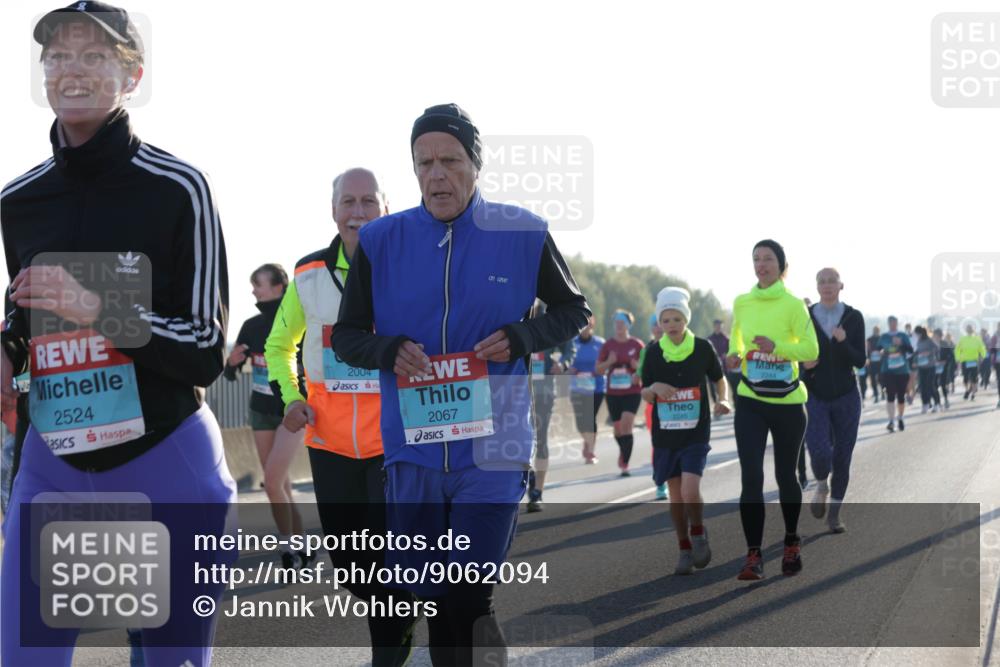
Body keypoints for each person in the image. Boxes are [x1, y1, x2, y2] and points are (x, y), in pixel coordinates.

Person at [1, 4, 235, 664]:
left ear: (131, 75)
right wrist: (6, 348)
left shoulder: (179, 187)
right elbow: (25, 316)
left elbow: (204, 350)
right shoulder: (18, 201)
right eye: (58, 56)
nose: (72, 69)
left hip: (164, 462)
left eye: (94, 56)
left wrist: (97, 306)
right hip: (54, 466)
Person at [331, 104, 590, 666]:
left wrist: (523, 335)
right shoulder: (380, 240)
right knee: (434, 600)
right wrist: (387, 349)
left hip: (494, 450)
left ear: (476, 165)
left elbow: (574, 310)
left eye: (450, 160)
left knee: (467, 595)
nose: (436, 174)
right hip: (413, 451)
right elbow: (347, 336)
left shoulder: (523, 232)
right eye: (424, 162)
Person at [265, 167, 417, 665]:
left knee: (388, 561)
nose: (357, 212)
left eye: (368, 201)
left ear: (385, 209)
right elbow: (278, 345)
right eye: (348, 202)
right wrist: (290, 397)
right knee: (353, 566)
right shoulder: (308, 275)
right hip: (329, 445)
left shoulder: (406, 266)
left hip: (392, 444)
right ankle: (398, 619)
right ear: (333, 211)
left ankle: (389, 651)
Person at [726, 240, 818, 580]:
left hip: (788, 403)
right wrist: (736, 355)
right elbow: (737, 338)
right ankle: (753, 555)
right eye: (756, 259)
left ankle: (791, 540)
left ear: (781, 266)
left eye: (768, 259)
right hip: (750, 399)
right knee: (751, 478)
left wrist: (776, 347)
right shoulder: (742, 302)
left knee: (785, 476)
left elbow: (810, 349)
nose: (761, 264)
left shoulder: (794, 305)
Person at [224, 263, 308, 568]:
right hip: (260, 412)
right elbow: (232, 373)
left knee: (272, 482)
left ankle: (288, 549)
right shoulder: (251, 326)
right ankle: (301, 543)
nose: (253, 291)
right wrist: (231, 363)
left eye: (258, 285)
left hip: (291, 412)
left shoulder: (297, 322)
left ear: (279, 287)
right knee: (281, 484)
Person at [642, 288, 730, 574]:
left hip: (695, 432)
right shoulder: (654, 353)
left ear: (686, 319)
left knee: (691, 490)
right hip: (666, 436)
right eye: (665, 320)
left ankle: (699, 532)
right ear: (660, 322)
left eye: (677, 319)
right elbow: (645, 391)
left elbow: (719, 380)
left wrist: (723, 400)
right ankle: (683, 548)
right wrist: (653, 389)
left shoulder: (702, 348)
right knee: (676, 496)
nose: (671, 325)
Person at [800, 268, 865, 534]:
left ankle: (834, 515)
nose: (827, 285)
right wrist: (803, 364)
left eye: (831, 281)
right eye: (822, 282)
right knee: (819, 451)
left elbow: (860, 360)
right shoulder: (805, 317)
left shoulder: (853, 317)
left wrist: (843, 341)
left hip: (847, 396)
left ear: (841, 285)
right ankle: (820, 484)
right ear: (816, 287)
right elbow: (794, 353)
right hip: (815, 394)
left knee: (842, 456)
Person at [526, 299, 574, 513]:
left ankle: (537, 493)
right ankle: (528, 481)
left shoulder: (551, 319)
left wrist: (562, 364)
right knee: (519, 439)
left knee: (540, 438)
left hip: (544, 390)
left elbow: (569, 349)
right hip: (516, 390)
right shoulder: (516, 315)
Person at [596, 310, 645, 476]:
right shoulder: (608, 345)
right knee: (617, 429)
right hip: (613, 393)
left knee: (626, 424)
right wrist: (609, 362)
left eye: (622, 322)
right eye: (616, 322)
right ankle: (623, 451)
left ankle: (625, 462)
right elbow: (598, 369)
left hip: (632, 391)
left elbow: (646, 368)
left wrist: (636, 366)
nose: (618, 325)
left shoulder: (637, 345)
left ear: (628, 325)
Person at [567, 315, 606, 464]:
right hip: (577, 387)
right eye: (583, 325)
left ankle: (590, 450)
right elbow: (566, 361)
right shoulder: (572, 343)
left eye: (588, 325)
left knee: (591, 419)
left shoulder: (600, 344)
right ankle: (587, 441)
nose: (585, 328)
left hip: (596, 388)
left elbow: (605, 364)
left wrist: (598, 370)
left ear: (592, 326)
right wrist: (571, 369)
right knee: (580, 422)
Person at [638, 313, 668, 500]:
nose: (657, 328)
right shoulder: (647, 350)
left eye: (660, 324)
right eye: (654, 325)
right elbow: (642, 373)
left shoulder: (677, 346)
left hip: (677, 403)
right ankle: (660, 482)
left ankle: (676, 476)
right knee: (657, 444)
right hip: (654, 404)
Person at [875, 316, 913, 432]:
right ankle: (891, 421)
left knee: (901, 396)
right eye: (891, 323)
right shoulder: (884, 337)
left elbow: (910, 350)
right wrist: (882, 352)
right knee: (890, 396)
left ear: (897, 323)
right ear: (888, 324)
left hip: (902, 370)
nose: (893, 325)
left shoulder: (903, 336)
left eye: (894, 323)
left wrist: (901, 344)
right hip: (887, 370)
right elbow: (878, 350)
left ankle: (900, 418)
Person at [912, 326, 941, 413]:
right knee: (923, 387)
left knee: (931, 385)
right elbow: (917, 351)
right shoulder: (918, 342)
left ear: (920, 333)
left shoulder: (929, 340)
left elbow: (937, 349)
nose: (915, 336)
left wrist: (928, 352)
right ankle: (925, 404)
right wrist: (915, 358)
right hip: (921, 366)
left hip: (930, 366)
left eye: (916, 334)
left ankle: (937, 403)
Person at [955, 324, 987, 401]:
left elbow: (982, 348)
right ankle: (967, 390)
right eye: (968, 329)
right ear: (966, 330)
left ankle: (973, 393)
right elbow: (957, 349)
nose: (969, 330)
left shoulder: (977, 339)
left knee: (974, 378)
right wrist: (958, 359)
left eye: (970, 329)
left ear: (973, 330)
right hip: (965, 361)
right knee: (965, 379)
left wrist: (983, 356)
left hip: (974, 361)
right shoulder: (962, 339)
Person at [933, 328, 954, 410]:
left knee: (942, 384)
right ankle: (937, 402)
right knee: (934, 384)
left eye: (936, 335)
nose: (935, 337)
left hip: (943, 367)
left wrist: (945, 361)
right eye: (934, 335)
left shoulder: (944, 343)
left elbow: (950, 355)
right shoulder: (931, 344)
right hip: (934, 367)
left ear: (940, 336)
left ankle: (945, 399)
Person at [866, 325, 882, 402]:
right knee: (872, 379)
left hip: (880, 361)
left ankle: (883, 392)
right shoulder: (869, 339)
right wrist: (868, 358)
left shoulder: (881, 338)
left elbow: (883, 349)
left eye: (877, 330)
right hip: (872, 361)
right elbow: (867, 350)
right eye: (875, 330)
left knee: (881, 378)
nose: (876, 331)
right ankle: (876, 395)